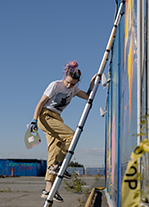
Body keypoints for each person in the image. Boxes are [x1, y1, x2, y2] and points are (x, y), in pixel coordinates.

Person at [29, 60, 96, 202]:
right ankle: (58, 166)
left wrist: (92, 82)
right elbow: (40, 103)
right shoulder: (55, 85)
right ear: (65, 76)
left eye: (73, 84)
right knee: (71, 136)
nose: (69, 86)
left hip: (57, 119)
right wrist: (34, 120)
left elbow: (88, 96)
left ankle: (48, 190)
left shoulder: (74, 89)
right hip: (45, 116)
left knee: (54, 150)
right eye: (68, 82)